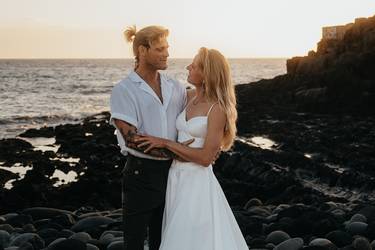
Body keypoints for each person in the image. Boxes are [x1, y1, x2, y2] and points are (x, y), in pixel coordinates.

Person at [135, 47, 249, 250]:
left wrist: (167, 144)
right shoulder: (186, 97)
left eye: (194, 65)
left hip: (197, 181)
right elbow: (155, 101)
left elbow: (205, 158)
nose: (188, 67)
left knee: (190, 238)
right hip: (175, 177)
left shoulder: (218, 109)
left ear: (207, 74)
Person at [109, 25, 188, 250]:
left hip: (174, 173)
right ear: (142, 51)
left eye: (167, 48)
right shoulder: (124, 90)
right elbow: (132, 138)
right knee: (134, 242)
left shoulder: (175, 87)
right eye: (160, 49)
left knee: (164, 242)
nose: (167, 54)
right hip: (141, 174)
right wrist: (179, 151)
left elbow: (188, 121)